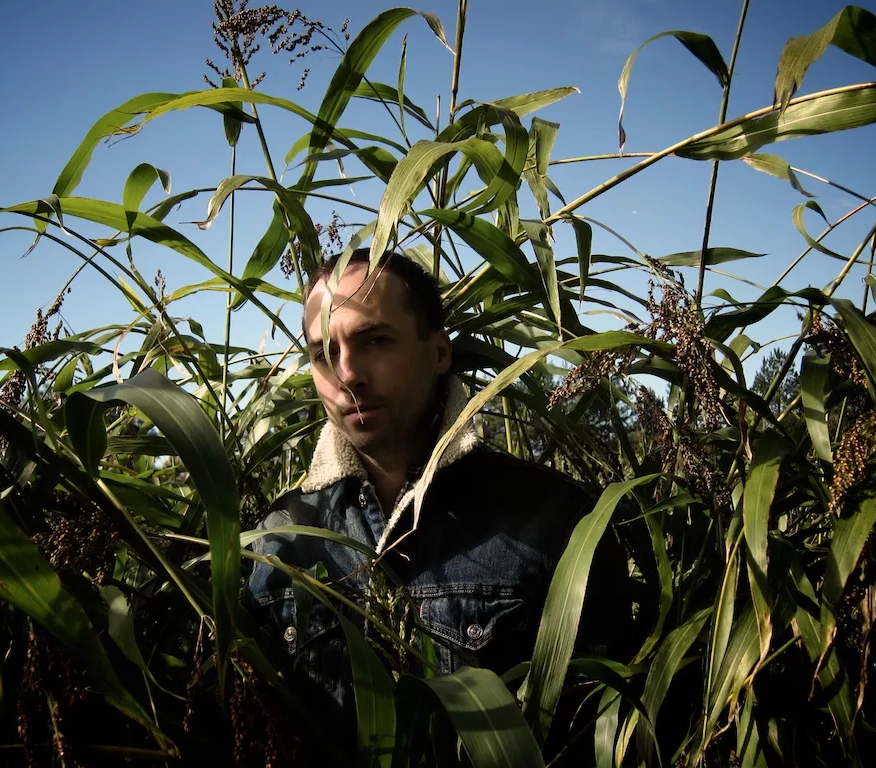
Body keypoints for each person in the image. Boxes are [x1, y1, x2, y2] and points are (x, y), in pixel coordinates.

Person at [244, 248, 630, 727]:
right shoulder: (276, 542)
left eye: (375, 341)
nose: (348, 375)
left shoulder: (560, 523)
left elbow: (598, 730)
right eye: (325, 354)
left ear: (439, 352)